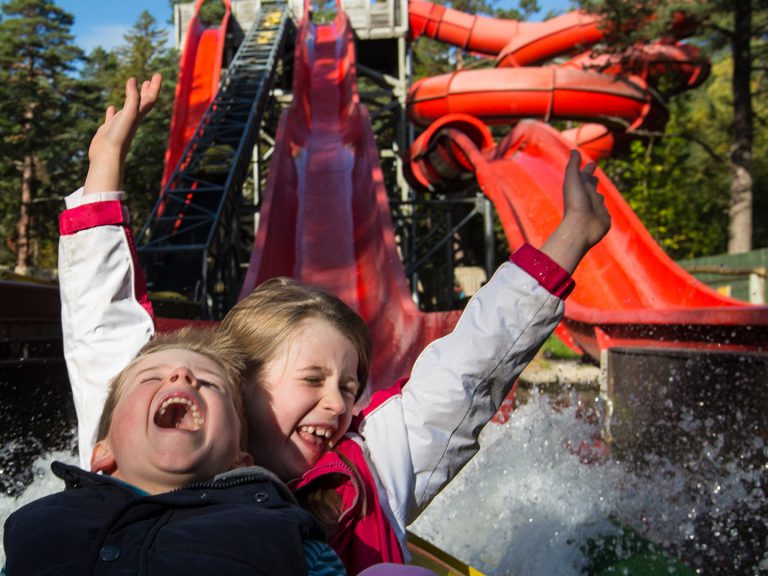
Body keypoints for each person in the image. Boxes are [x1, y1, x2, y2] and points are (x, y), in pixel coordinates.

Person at [58, 74, 611, 573]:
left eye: (349, 387)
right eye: (312, 378)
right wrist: (104, 166)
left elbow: (467, 367)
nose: (338, 404)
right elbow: (102, 333)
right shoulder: (153, 449)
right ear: (238, 380)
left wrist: (570, 239)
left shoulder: (370, 471)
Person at [3, 327, 346, 575]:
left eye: (210, 383)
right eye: (151, 378)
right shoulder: (36, 523)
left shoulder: (282, 533)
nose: (182, 376)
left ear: (239, 462)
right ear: (103, 453)